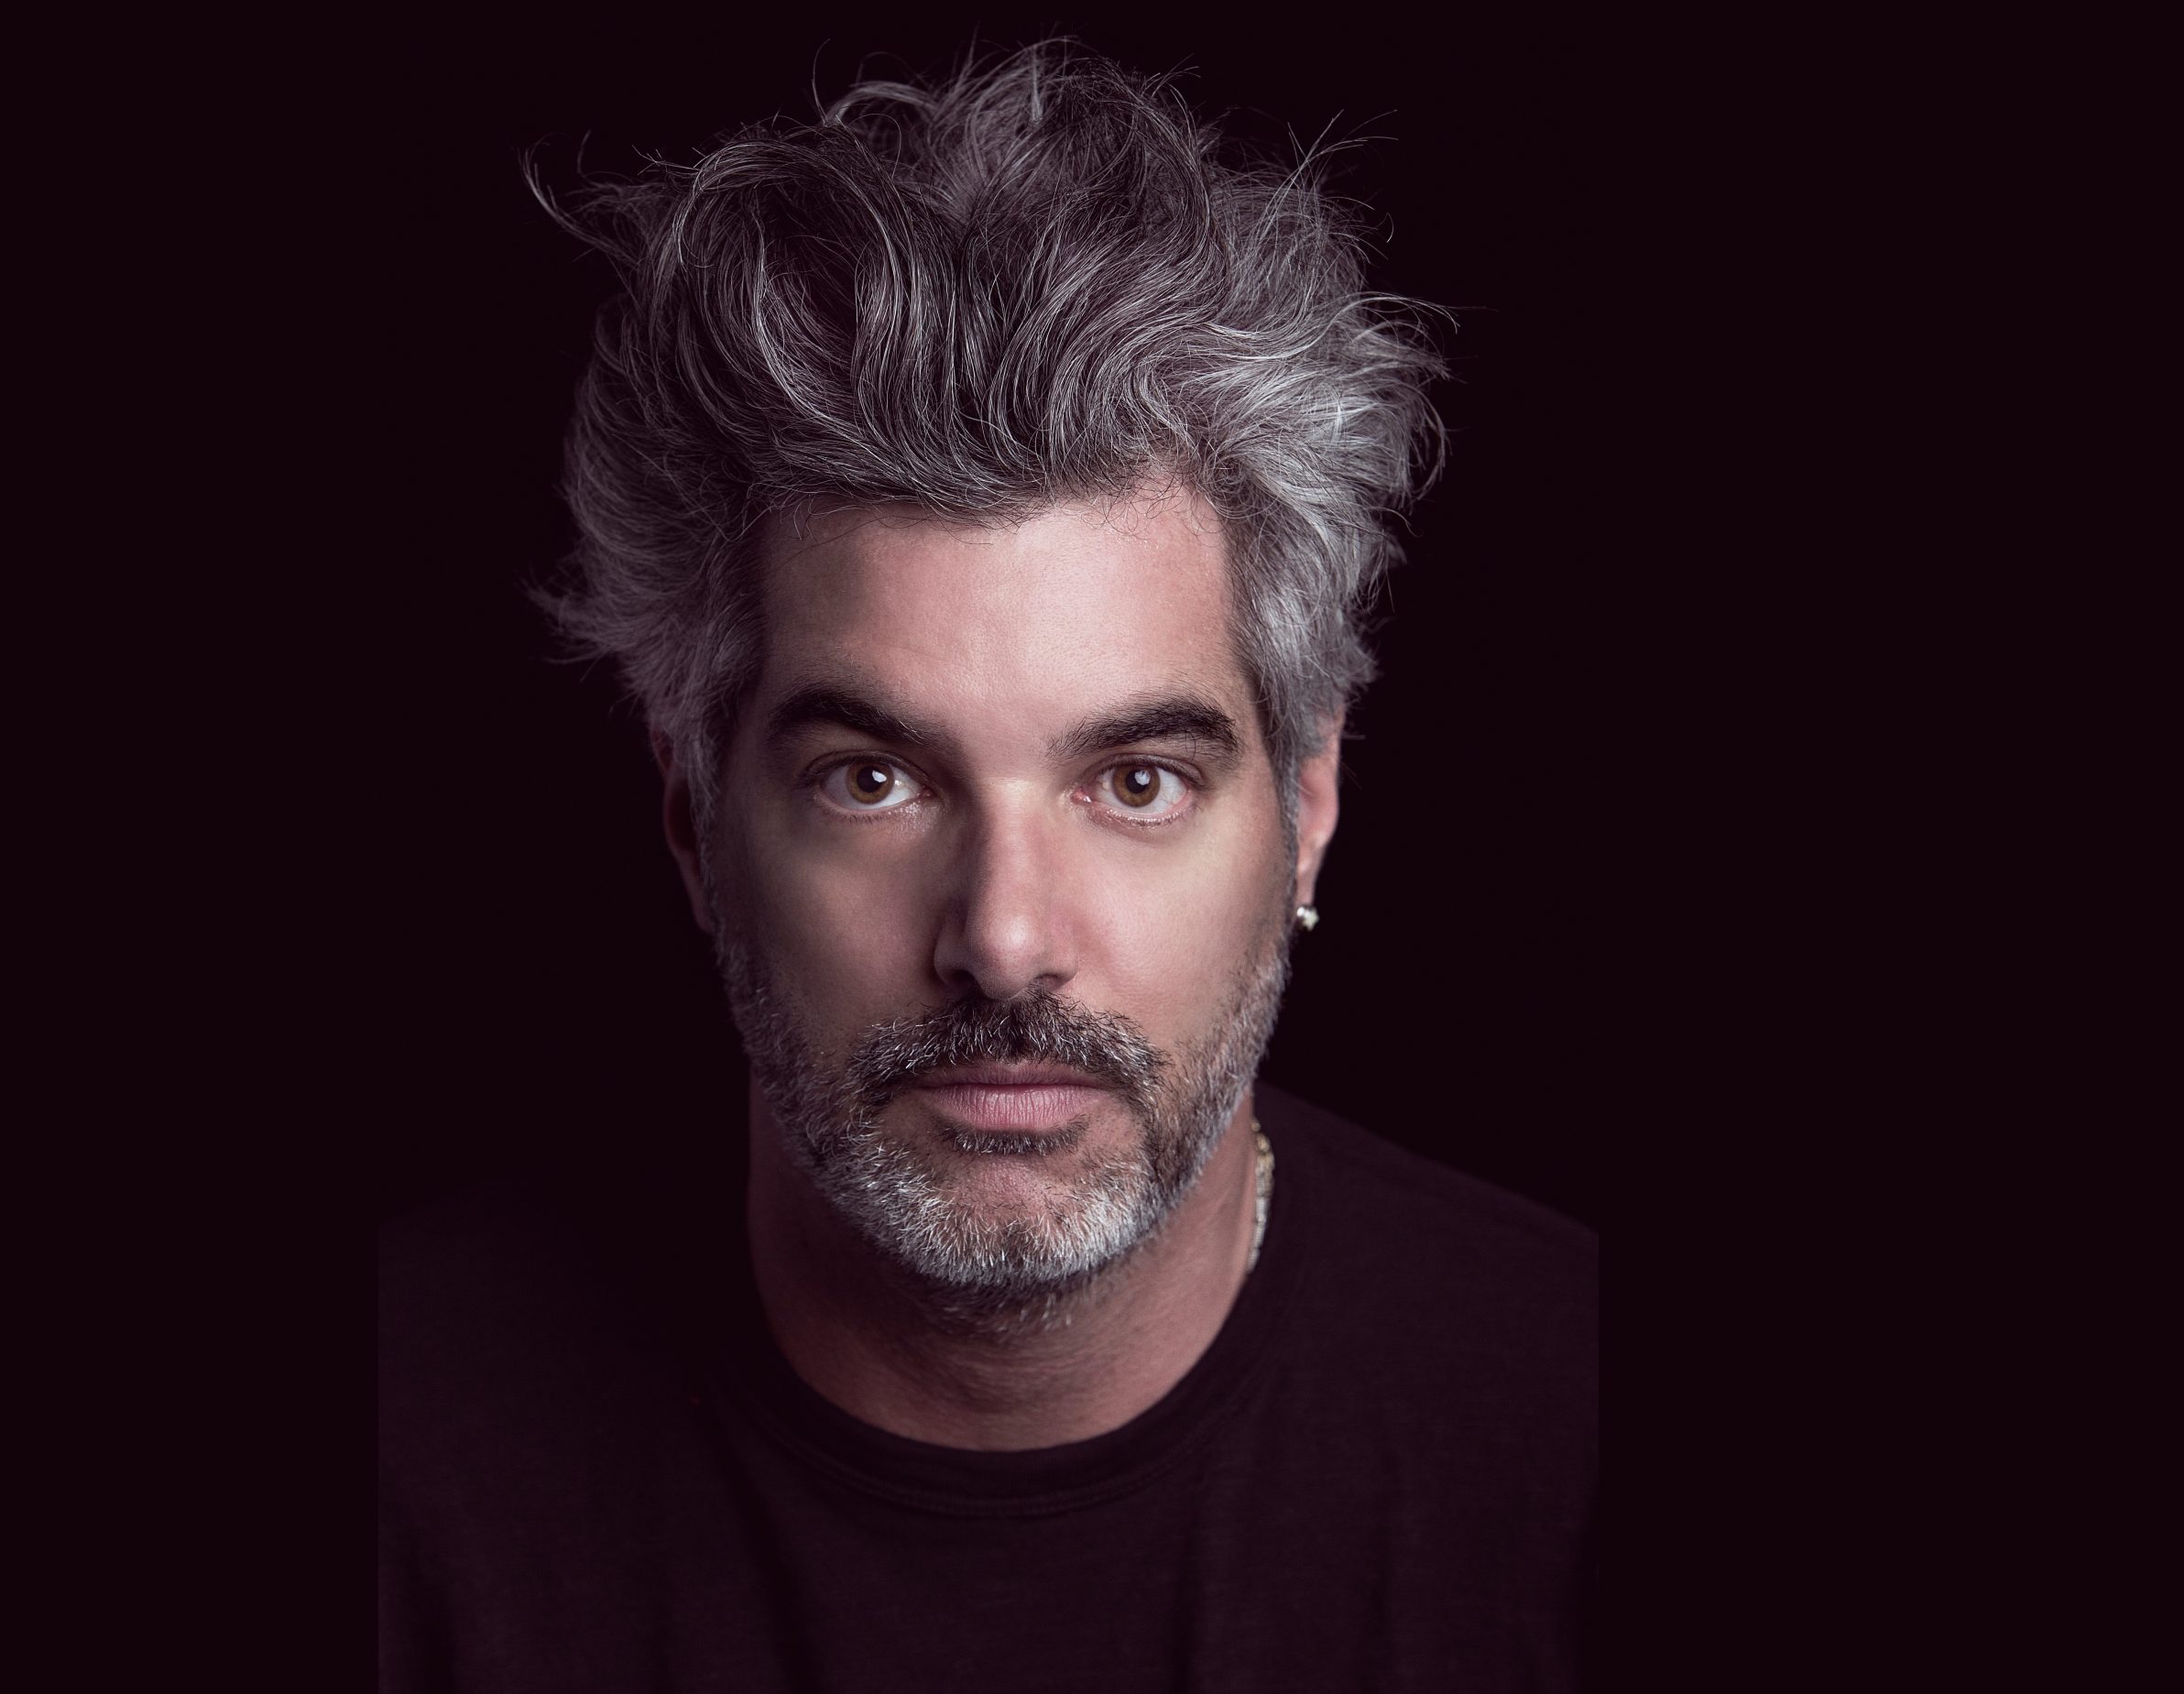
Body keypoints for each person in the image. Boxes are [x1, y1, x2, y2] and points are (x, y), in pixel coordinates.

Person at [379, 42, 1596, 1690]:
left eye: (1137, 781)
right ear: (693, 820)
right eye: (874, 779)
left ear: (1308, 805)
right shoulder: (402, 1454)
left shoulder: (1572, 1431)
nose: (1006, 938)